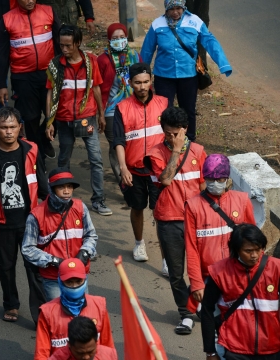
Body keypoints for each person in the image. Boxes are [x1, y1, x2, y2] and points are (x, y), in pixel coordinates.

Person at [0, 106, 49, 323]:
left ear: (20, 128)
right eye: (3, 127)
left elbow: (42, 181)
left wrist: (54, 206)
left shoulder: (32, 150)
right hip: (1, 223)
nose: (8, 131)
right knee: (6, 268)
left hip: (30, 222)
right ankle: (11, 305)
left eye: (12, 127)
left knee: (34, 269)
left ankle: (40, 312)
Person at [144, 106, 206, 335]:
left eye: (175, 134)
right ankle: (186, 313)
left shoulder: (199, 151)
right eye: (167, 133)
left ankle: (198, 304)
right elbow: (166, 180)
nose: (171, 138)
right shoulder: (155, 153)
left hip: (197, 220)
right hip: (169, 220)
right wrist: (177, 151)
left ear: (185, 129)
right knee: (176, 272)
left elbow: (203, 186)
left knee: (201, 268)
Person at [141, 0, 231, 141]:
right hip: (164, 76)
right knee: (164, 111)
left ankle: (189, 140)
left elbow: (210, 41)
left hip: (188, 76)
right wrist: (139, 73)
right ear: (166, 9)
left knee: (188, 110)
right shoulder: (157, 24)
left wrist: (223, 64)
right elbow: (147, 50)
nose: (175, 12)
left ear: (184, 7)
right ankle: (165, 140)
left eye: (179, 8)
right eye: (172, 9)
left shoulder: (194, 21)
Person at [45, 24, 111, 216]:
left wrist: (100, 114)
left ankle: (98, 200)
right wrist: (49, 122)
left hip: (87, 119)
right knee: (64, 159)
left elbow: (96, 88)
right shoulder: (55, 65)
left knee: (96, 159)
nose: (64, 49)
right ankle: (61, 200)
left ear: (78, 43)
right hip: (64, 121)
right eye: (62, 45)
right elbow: (50, 94)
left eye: (68, 45)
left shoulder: (91, 62)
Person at [112, 63, 166, 263]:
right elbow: (118, 141)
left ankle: (166, 257)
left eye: (146, 82)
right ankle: (139, 243)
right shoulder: (122, 108)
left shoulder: (164, 103)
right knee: (137, 208)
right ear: (130, 83)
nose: (142, 87)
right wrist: (123, 168)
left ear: (151, 81)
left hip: (158, 171)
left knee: (161, 213)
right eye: (138, 83)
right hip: (133, 170)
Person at [184, 154, 255, 306]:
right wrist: (196, 282)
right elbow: (191, 248)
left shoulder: (242, 201)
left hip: (237, 276)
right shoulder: (193, 206)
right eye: (210, 179)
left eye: (220, 179)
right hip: (210, 278)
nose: (215, 183)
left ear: (227, 178)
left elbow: (253, 242)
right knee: (213, 323)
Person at [201, 224, 280, 360]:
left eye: (258, 249)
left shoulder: (276, 268)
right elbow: (207, 310)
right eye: (248, 251)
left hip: (272, 348)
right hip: (235, 349)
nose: (254, 255)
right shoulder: (219, 272)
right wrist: (210, 352)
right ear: (236, 250)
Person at [22, 168, 98, 302]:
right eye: (61, 187)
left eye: (69, 186)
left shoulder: (81, 207)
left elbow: (91, 235)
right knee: (60, 316)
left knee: (82, 315)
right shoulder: (36, 215)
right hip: (53, 278)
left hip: (79, 276)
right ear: (51, 189)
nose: (67, 191)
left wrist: (85, 252)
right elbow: (27, 248)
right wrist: (52, 260)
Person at [0, 0, 60, 160]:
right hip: (23, 77)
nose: (30, 1)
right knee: (30, 117)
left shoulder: (49, 12)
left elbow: (60, 42)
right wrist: (2, 84)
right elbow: (2, 54)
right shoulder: (7, 19)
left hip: (49, 73)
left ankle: (44, 140)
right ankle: (36, 157)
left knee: (55, 113)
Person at [35, 259, 114, 359]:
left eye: (78, 281)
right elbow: (41, 353)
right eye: (69, 282)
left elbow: (107, 345)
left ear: (85, 280)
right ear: (60, 281)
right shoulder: (47, 313)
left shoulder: (99, 306)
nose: (74, 286)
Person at [97, 23, 141, 184]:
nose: (119, 40)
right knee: (116, 146)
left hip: (134, 106)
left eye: (122, 37)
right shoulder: (103, 60)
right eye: (115, 38)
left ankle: (135, 177)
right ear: (109, 40)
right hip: (111, 109)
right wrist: (100, 114)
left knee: (133, 143)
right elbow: (98, 88)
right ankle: (123, 182)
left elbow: (145, 80)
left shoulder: (135, 56)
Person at [48, 317, 118, 360]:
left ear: (96, 342)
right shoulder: (56, 358)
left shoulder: (110, 355)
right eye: (80, 353)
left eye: (90, 352)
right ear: (69, 344)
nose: (86, 357)